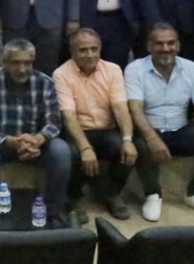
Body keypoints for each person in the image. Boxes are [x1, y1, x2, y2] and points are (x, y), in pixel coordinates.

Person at [126, 23, 194, 221]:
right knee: (141, 144)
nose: (166, 48)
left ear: (178, 45)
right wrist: (152, 138)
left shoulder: (191, 68)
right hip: (149, 129)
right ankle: (153, 194)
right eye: (159, 43)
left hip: (180, 130)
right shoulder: (135, 69)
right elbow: (135, 109)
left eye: (171, 43)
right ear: (149, 46)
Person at [0, 39, 73, 228]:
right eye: (15, 63)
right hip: (2, 145)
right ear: (4, 62)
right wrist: (10, 141)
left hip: (36, 146)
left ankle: (54, 210)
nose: (22, 69)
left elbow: (54, 123)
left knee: (61, 150)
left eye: (27, 63)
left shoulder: (45, 83)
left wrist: (37, 139)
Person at [54, 29, 136, 220]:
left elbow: (120, 108)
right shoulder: (61, 74)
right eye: (83, 50)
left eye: (94, 49)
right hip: (77, 130)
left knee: (125, 149)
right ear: (72, 52)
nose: (90, 54)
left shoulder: (113, 70)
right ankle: (74, 198)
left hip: (106, 129)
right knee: (72, 153)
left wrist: (127, 139)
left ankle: (111, 194)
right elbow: (68, 116)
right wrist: (85, 148)